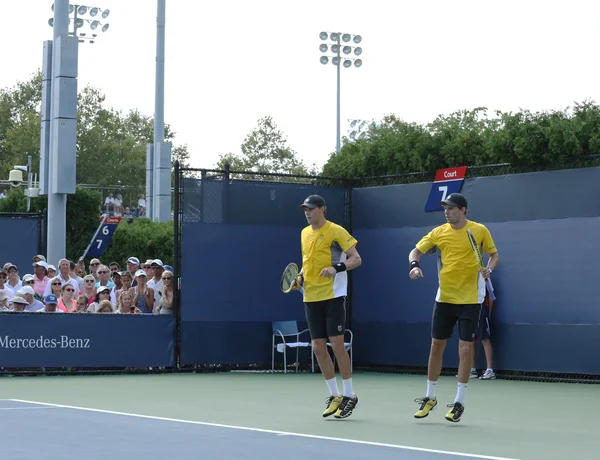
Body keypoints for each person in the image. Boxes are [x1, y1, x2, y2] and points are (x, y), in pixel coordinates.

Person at [408, 193, 499, 423]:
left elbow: (494, 255)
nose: (446, 212)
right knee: (436, 346)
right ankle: (429, 397)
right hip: (445, 298)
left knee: (465, 350)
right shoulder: (439, 233)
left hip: (471, 299)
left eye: (450, 208)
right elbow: (415, 251)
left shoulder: (479, 230)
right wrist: (415, 265)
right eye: (445, 208)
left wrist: (490, 268)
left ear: (463, 209)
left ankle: (459, 402)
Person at [293, 194, 362, 419]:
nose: (307, 212)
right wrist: (300, 278)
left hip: (333, 295)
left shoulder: (337, 231)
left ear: (322, 209)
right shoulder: (304, 233)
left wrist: (337, 268)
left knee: (337, 344)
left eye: (311, 209)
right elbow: (307, 262)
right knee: (318, 347)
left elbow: (356, 258)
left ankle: (350, 394)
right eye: (305, 209)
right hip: (310, 296)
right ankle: (335, 396)